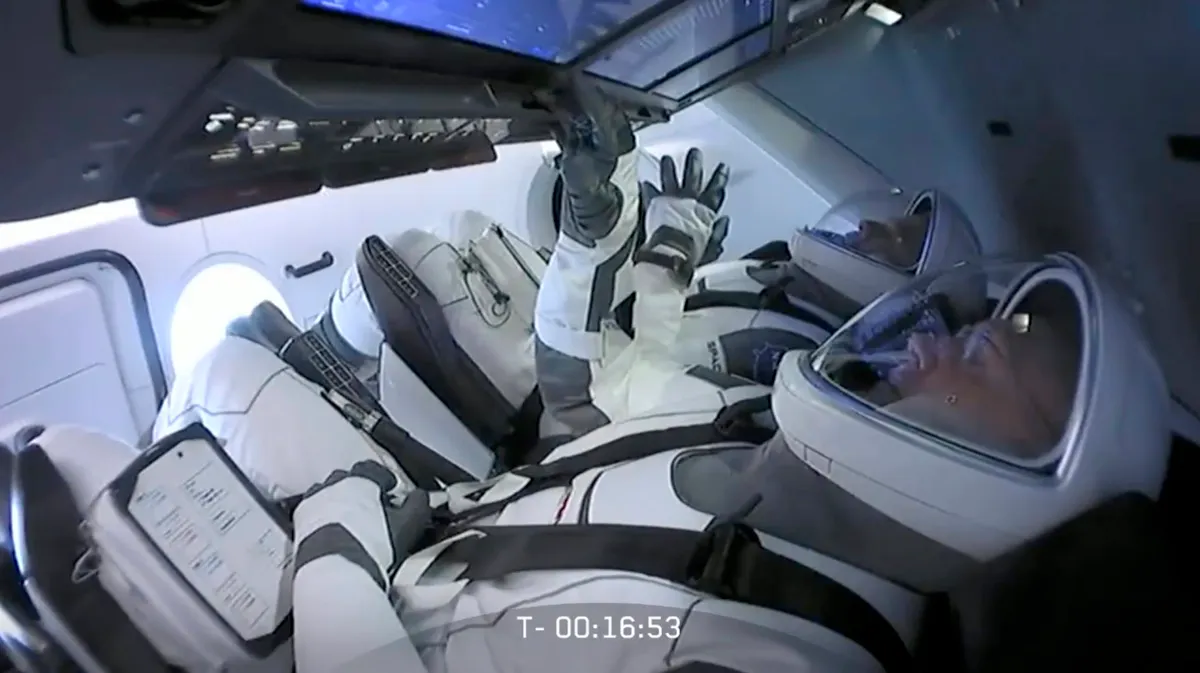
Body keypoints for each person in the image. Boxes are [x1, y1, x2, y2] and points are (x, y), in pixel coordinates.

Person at [5, 246, 1172, 673]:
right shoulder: (752, 429)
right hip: (413, 539)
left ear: (1013, 469)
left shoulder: (778, 659)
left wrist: (335, 535)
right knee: (214, 369)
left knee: (66, 454)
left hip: (334, 622)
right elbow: (575, 444)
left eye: (979, 351)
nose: (930, 338)